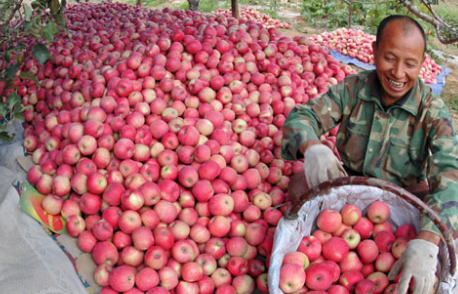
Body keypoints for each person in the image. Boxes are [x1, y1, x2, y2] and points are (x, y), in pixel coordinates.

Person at [281, 15, 458, 294]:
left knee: (448, 217)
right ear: (374, 52)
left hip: (404, 194)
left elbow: (450, 172)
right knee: (299, 185)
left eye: (410, 64)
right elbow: (302, 116)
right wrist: (311, 146)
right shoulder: (354, 90)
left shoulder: (433, 111)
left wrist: (427, 238)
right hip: (349, 188)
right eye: (389, 58)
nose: (398, 73)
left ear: (422, 64)